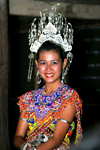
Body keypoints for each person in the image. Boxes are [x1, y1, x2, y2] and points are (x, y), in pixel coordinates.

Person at [13, 3, 83, 150]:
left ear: (64, 63)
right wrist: (25, 147)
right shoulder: (28, 99)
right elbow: (18, 137)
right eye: (44, 62)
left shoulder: (69, 97)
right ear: (37, 64)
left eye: (54, 62)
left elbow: (56, 140)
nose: (49, 68)